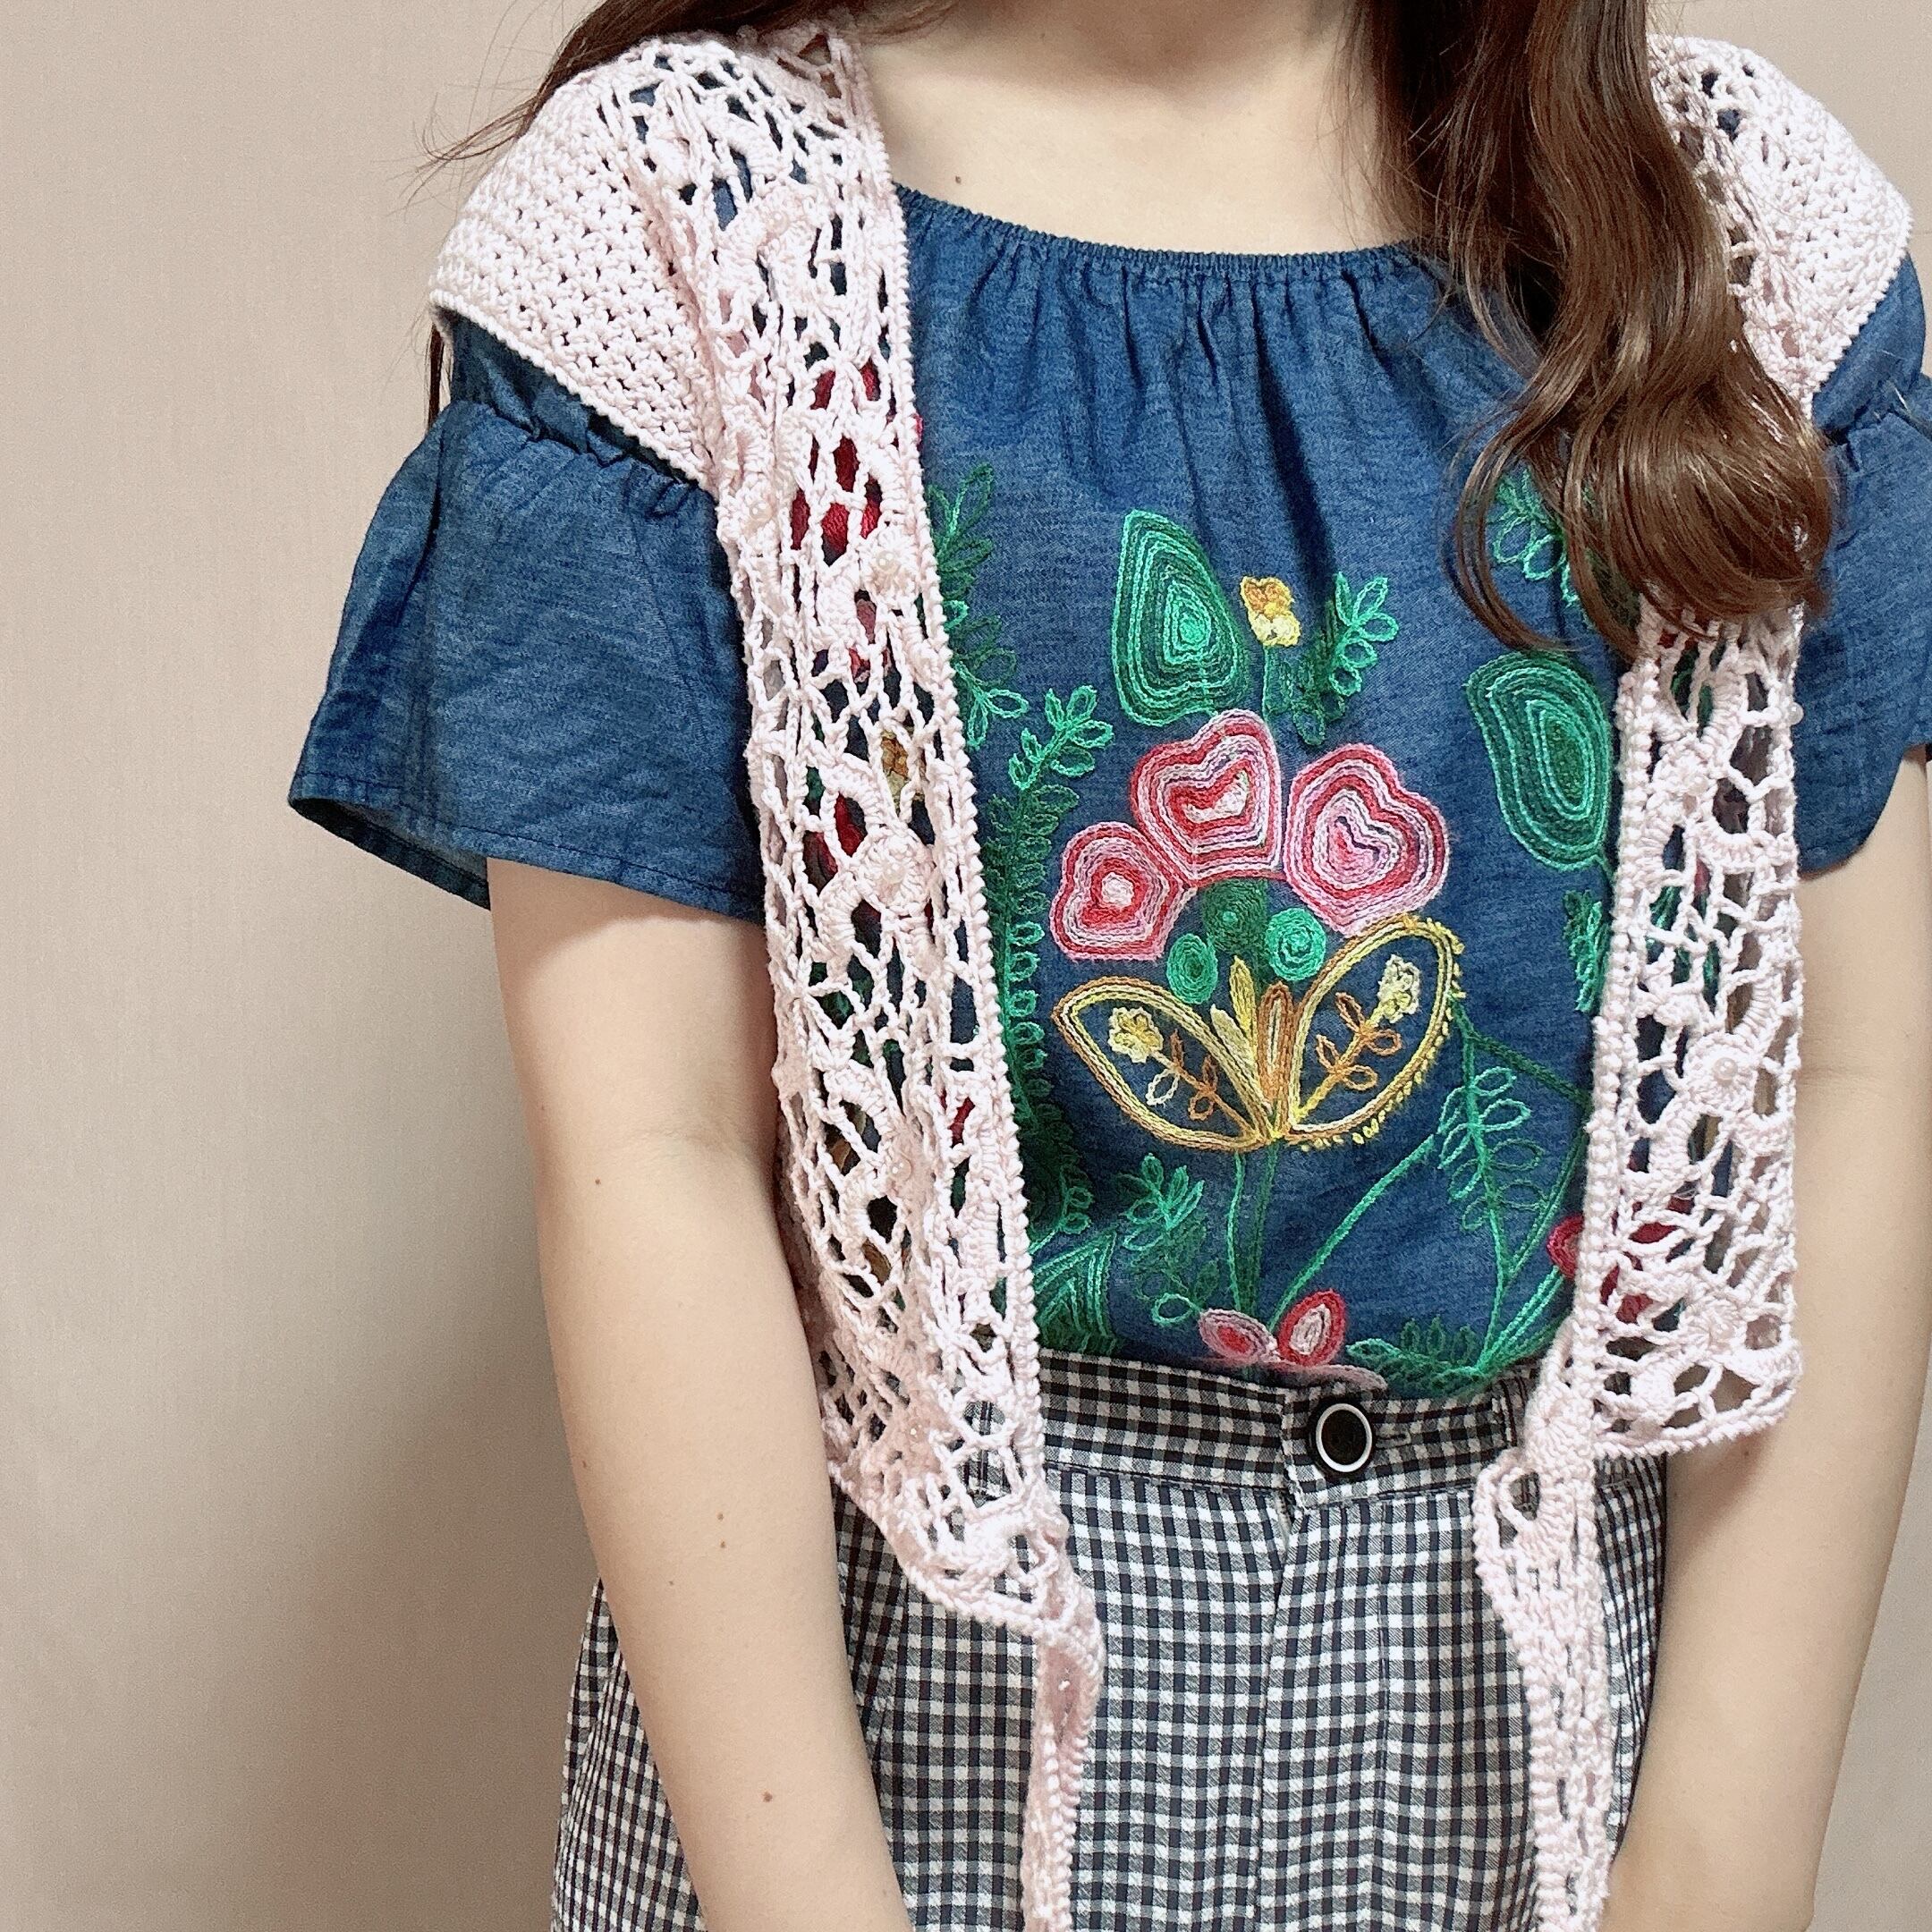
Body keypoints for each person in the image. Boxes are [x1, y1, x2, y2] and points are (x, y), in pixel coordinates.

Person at [286, 4, 1932, 1929]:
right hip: (887, 1728)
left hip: (1538, 1717)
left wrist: (1722, 1863)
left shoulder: (1742, 228)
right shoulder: (681, 220)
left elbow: (1845, 1078)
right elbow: (654, 1153)